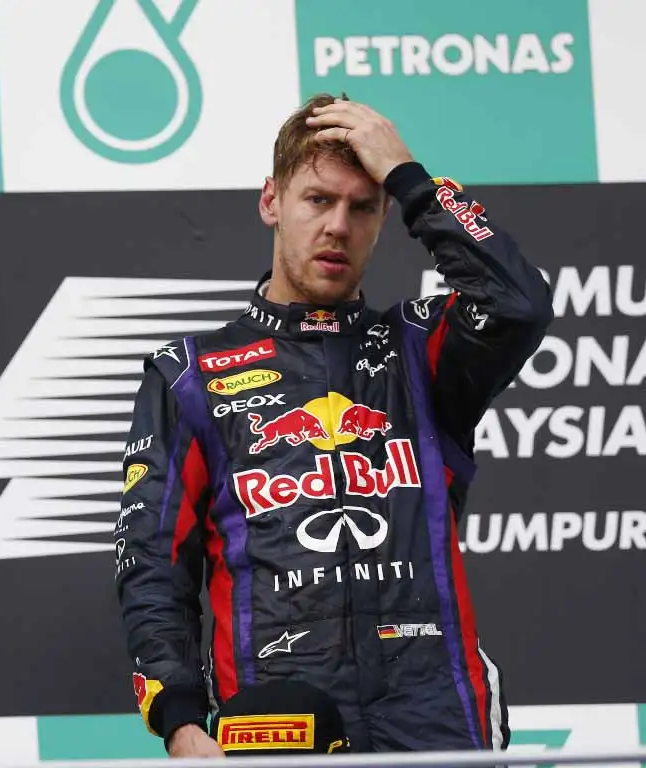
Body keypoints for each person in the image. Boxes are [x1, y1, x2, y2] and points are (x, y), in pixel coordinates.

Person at [115, 93, 552, 756]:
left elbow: (519, 305)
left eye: (363, 206)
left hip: (437, 710)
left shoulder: (422, 351)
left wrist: (409, 176)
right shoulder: (191, 375)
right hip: (276, 715)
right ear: (272, 202)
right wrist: (179, 722)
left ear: (384, 217)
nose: (338, 226)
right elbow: (152, 565)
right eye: (318, 200)